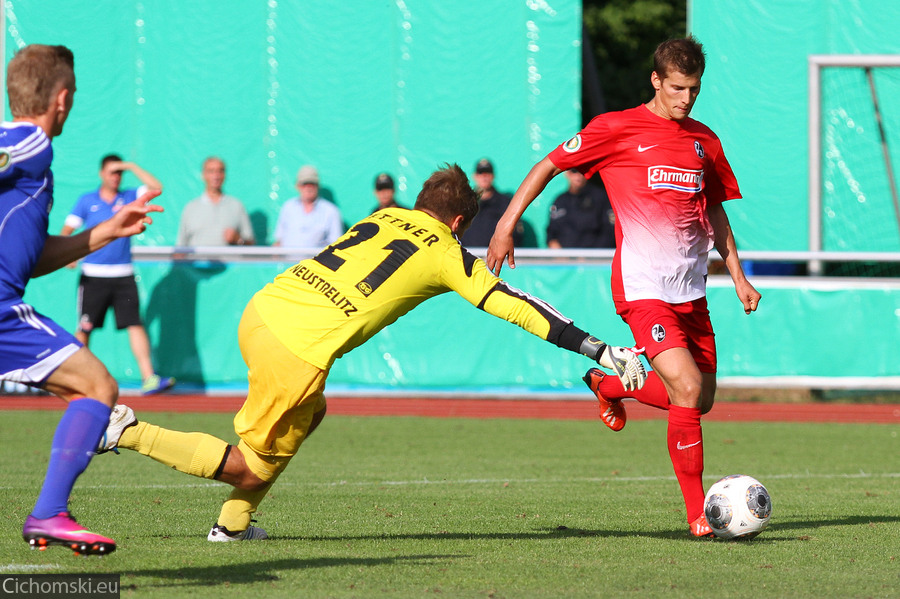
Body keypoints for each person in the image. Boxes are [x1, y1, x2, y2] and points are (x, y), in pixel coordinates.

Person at [98, 164, 647, 542]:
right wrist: (595, 348)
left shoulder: (378, 218)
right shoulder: (445, 249)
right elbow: (513, 304)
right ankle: (126, 430)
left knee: (312, 414)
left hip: (264, 309)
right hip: (299, 348)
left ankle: (233, 527)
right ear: (458, 223)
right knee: (246, 466)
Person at [486, 37, 761, 538]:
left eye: (694, 89)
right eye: (677, 88)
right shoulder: (616, 128)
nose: (686, 99)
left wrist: (738, 276)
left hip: (691, 292)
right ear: (656, 81)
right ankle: (698, 513)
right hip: (641, 288)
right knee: (688, 387)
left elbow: (715, 210)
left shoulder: (705, 141)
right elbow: (549, 164)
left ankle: (609, 384)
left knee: (700, 401)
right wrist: (505, 226)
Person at [0, 44, 164, 555]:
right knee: (96, 387)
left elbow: (32, 255)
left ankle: (51, 512)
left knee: (88, 391)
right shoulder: (29, 141)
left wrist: (105, 232)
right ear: (63, 98)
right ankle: (49, 513)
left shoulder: (25, 161)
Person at [62, 155, 175, 396]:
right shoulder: (87, 201)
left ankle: (149, 378)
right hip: (93, 276)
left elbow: (156, 188)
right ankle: (77, 380)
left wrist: (131, 166)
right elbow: (67, 230)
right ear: (101, 173)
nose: (116, 177)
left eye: (119, 173)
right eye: (112, 172)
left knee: (135, 324)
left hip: (123, 274)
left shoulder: (129, 197)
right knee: (85, 328)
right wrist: (67, 254)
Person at [176, 156, 255, 246]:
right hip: (198, 260)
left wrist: (238, 239)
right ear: (203, 175)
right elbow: (180, 247)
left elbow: (251, 243)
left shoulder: (236, 206)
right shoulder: (190, 208)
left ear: (224, 175)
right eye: (211, 171)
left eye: (220, 171)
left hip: (229, 260)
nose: (216, 176)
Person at [273, 165, 343, 248]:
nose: (308, 188)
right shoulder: (288, 207)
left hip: (316, 260)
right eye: (304, 184)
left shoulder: (331, 211)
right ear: (297, 186)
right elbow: (279, 241)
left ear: (318, 186)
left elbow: (336, 244)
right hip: (287, 260)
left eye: (312, 184)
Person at [460, 158, 523, 248]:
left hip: (497, 258)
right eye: (481, 173)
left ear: (493, 176)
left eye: (488, 173)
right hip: (467, 257)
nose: (484, 176)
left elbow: (516, 234)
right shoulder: (464, 203)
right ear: (475, 176)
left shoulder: (505, 203)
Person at [546, 170, 615, 249]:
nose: (578, 175)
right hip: (564, 259)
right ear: (567, 173)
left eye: (582, 170)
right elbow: (551, 232)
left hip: (594, 257)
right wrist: (559, 252)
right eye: (574, 171)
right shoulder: (560, 201)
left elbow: (609, 232)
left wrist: (589, 256)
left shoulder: (601, 198)